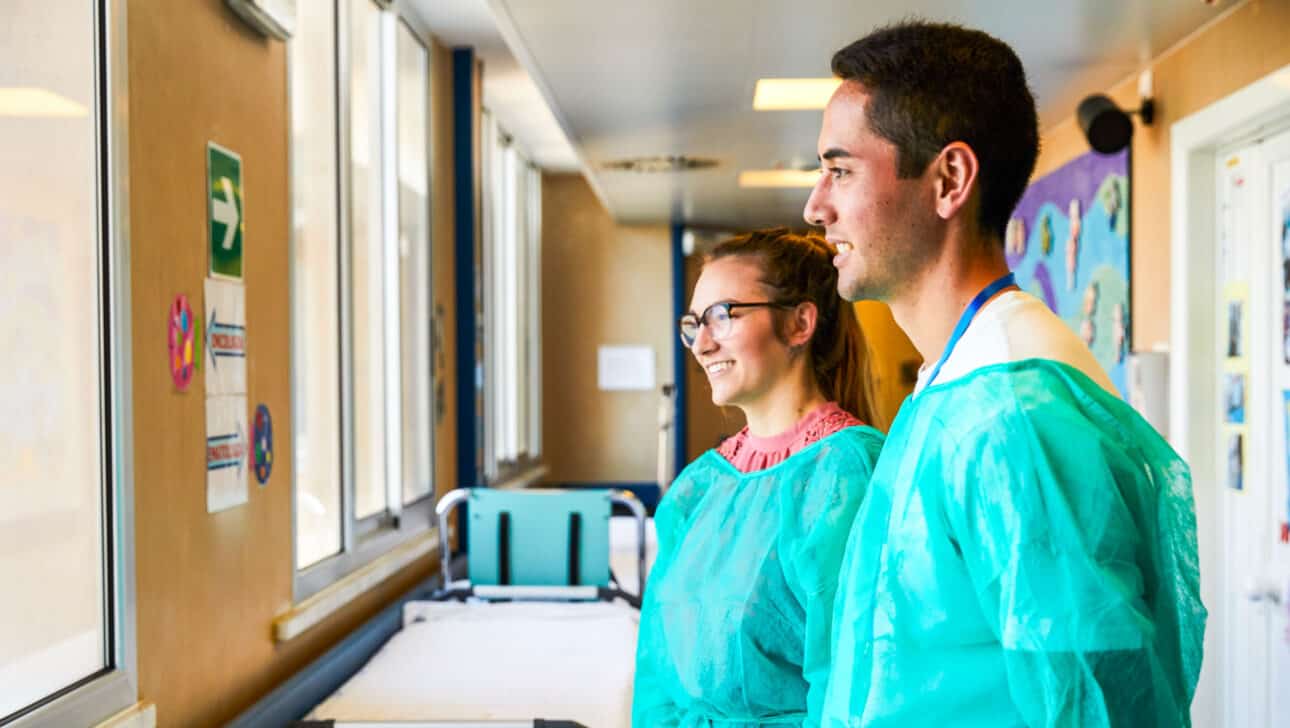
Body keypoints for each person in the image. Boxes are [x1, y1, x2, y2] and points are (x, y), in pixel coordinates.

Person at [802, 21, 1206, 728]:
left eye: (840, 170)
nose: (816, 206)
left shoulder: (1012, 415)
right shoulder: (957, 386)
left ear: (949, 180)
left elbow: (1093, 708)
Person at [633, 228, 885, 727]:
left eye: (722, 316)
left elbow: (857, 688)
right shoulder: (699, 488)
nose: (701, 344)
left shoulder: (847, 476)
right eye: (692, 324)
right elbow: (657, 673)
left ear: (799, 323)